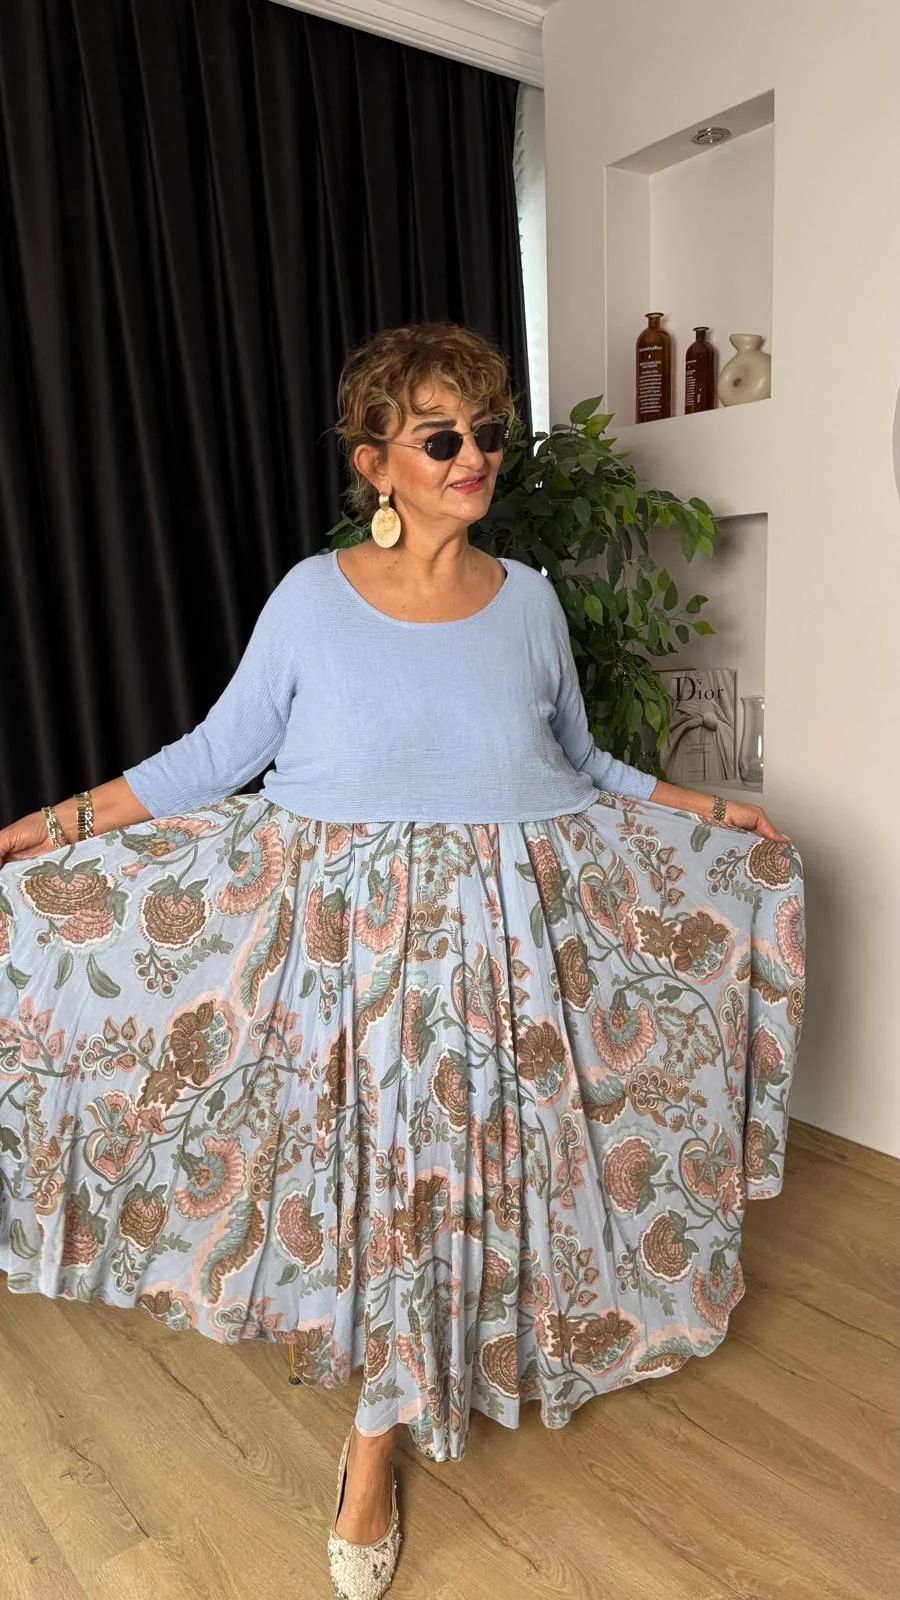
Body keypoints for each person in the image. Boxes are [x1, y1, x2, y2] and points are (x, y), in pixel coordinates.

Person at [0, 322, 805, 1599]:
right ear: (375, 461)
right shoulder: (311, 599)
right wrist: (47, 830)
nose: (472, 454)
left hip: (510, 945)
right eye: (441, 437)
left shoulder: (528, 599)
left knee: (482, 1170)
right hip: (353, 955)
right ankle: (372, 1445)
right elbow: (210, 760)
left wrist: (704, 811)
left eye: (486, 431)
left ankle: (461, 1358)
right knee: (392, 1187)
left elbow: (580, 764)